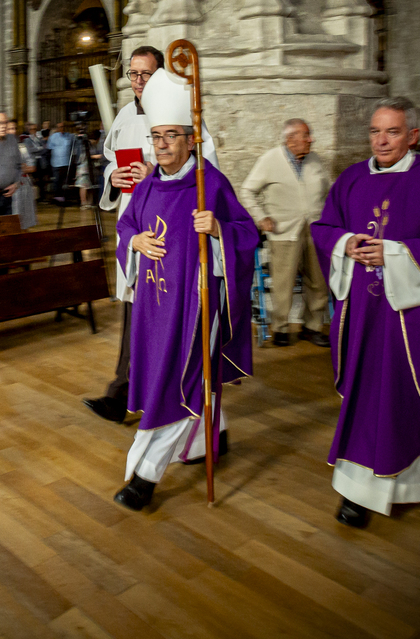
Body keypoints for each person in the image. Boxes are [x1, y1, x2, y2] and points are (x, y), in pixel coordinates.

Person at [311, 97, 420, 528]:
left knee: (407, 395)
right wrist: (344, 243)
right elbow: (324, 228)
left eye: (391, 131)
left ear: (412, 136)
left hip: (411, 317)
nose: (381, 140)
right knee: (367, 396)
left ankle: (387, 484)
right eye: (375, 131)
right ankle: (365, 484)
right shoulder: (350, 180)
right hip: (364, 314)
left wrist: (395, 254)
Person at [112, 68, 257, 511]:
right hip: (155, 308)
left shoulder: (208, 183)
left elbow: (247, 234)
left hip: (196, 307)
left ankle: (146, 478)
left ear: (190, 140)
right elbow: (126, 227)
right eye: (156, 137)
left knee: (185, 382)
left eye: (171, 136)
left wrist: (217, 231)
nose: (161, 145)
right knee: (165, 380)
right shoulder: (149, 184)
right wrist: (133, 242)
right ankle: (213, 434)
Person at [84, 45, 218, 423]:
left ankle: (181, 406)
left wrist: (156, 176)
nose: (137, 82)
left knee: (168, 317)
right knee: (134, 313)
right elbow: (112, 160)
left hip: (172, 231)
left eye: (145, 74)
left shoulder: (183, 116)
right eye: (133, 74)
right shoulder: (125, 115)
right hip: (134, 226)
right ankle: (123, 394)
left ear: (160, 75)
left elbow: (206, 172)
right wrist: (113, 176)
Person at [239, 119, 331, 347]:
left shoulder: (315, 159)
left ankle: (312, 327)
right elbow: (247, 191)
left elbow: (326, 191)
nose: (311, 140)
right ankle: (280, 328)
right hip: (283, 231)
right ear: (290, 139)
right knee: (283, 283)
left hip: (315, 228)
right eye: (306, 135)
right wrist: (261, 217)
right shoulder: (270, 159)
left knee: (318, 281)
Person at [46, 122, 74, 198]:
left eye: (63, 126)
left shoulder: (70, 136)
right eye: (60, 127)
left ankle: (65, 197)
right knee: (57, 181)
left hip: (66, 162)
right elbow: (49, 149)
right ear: (57, 128)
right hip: (56, 163)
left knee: (66, 181)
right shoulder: (53, 137)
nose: (62, 128)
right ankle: (57, 197)